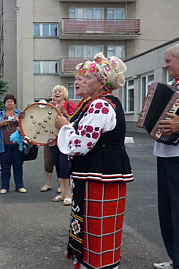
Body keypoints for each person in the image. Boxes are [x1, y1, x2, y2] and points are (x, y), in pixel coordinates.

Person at [56, 52, 133, 269]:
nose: (82, 81)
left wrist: (63, 126)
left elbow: (80, 144)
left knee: (96, 231)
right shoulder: (101, 102)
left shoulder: (100, 105)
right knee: (96, 231)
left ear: (102, 83)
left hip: (99, 176)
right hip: (100, 174)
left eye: (88, 78)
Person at [153, 44, 179, 269]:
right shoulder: (173, 87)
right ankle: (175, 258)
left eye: (169, 61)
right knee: (167, 210)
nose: (166, 65)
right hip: (165, 153)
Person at [0, 94, 26, 194]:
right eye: (8, 101)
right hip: (4, 145)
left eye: (11, 101)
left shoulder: (20, 113)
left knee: (18, 166)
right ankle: (5, 186)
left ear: (14, 103)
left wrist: (18, 121)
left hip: (17, 145)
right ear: (5, 103)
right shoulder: (0, 114)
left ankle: (19, 186)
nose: (10, 103)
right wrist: (1, 124)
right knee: (5, 167)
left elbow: (27, 124)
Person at [50, 85, 75, 205]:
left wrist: (64, 112)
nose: (57, 93)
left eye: (59, 91)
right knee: (59, 168)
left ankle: (69, 194)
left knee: (66, 168)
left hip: (66, 141)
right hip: (54, 141)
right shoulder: (51, 107)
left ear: (64, 93)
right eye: (55, 91)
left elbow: (75, 121)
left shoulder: (70, 105)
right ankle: (63, 193)